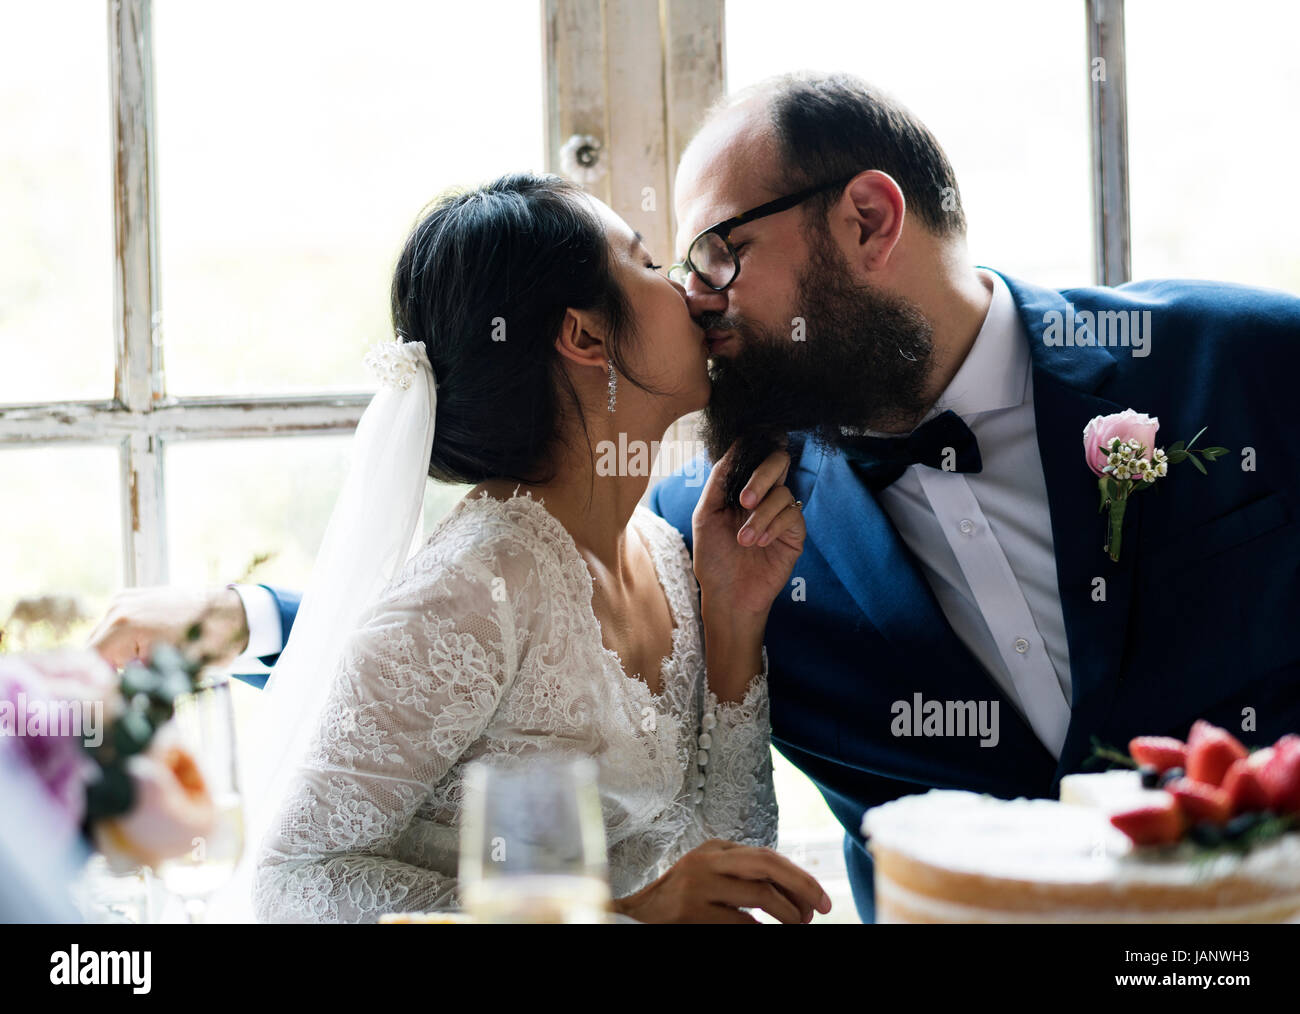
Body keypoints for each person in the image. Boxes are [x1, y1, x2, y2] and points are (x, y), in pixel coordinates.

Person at [92, 71, 1300, 923]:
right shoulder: (730, 524)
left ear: (868, 218)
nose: (701, 298)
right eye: (669, 269)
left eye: (719, 252)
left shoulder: (1238, 361)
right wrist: (235, 619)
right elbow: (465, 616)